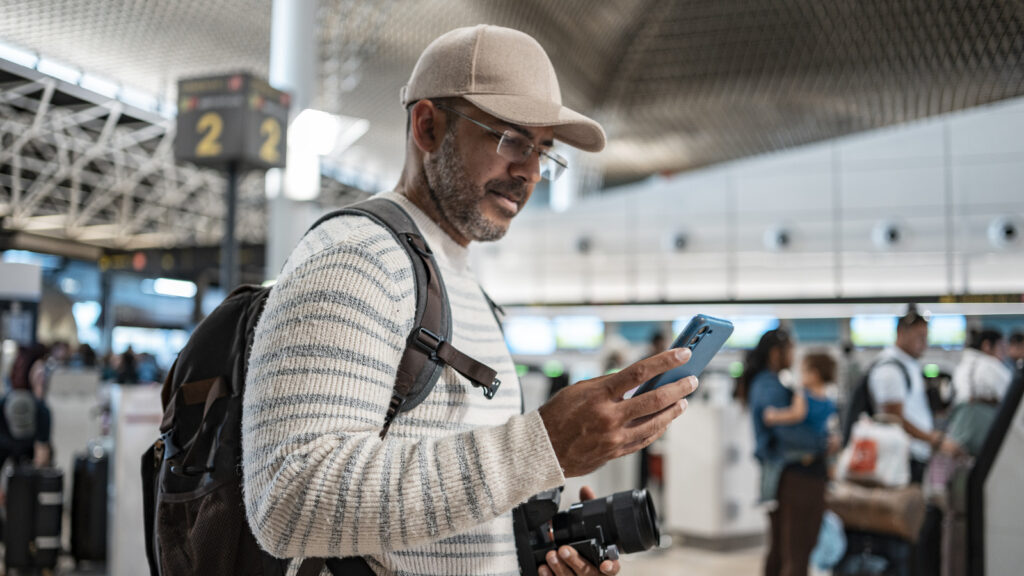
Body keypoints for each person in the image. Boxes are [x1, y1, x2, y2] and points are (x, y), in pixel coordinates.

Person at [242, 25, 698, 576]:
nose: (530, 172)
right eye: (512, 140)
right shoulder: (357, 257)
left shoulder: (459, 281)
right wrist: (540, 446)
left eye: (543, 151)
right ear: (428, 126)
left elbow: (456, 510)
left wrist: (528, 548)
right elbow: (287, 501)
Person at [738, 329, 826, 576]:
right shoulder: (769, 386)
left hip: (785, 476)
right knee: (797, 551)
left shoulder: (768, 383)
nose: (794, 355)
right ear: (776, 353)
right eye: (791, 349)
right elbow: (785, 432)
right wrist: (822, 442)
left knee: (782, 550)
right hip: (796, 475)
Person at [867, 307, 956, 484]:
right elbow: (894, 419)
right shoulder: (890, 369)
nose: (924, 343)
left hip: (913, 454)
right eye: (920, 337)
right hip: (902, 458)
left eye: (926, 337)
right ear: (901, 333)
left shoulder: (909, 365)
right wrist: (934, 439)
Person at [945, 329, 1013, 456]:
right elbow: (1012, 395)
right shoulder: (990, 365)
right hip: (985, 431)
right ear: (987, 345)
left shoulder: (961, 365)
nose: (1004, 353)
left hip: (959, 431)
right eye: (1001, 347)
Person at [0, 344, 53, 472]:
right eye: (40, 376)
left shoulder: (5, 403)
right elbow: (41, 458)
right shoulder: (41, 411)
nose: (43, 380)